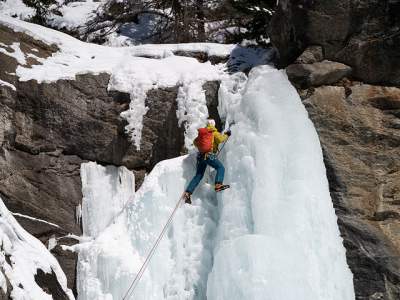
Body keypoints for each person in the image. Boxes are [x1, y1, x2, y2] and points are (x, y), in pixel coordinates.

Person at [183, 119, 231, 204]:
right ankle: (218, 184)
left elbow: (195, 142)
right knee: (220, 168)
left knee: (198, 176)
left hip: (201, 157)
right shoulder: (213, 132)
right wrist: (227, 135)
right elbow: (221, 139)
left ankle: (188, 192)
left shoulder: (203, 134)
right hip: (209, 156)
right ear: (213, 125)